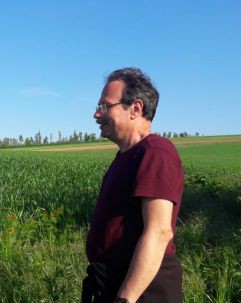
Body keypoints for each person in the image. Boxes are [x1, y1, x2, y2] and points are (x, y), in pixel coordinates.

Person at [82, 68, 184, 303]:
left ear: (135, 109)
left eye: (105, 106)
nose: (97, 114)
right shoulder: (127, 156)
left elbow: (159, 232)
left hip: (142, 290)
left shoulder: (156, 153)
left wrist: (125, 298)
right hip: (114, 281)